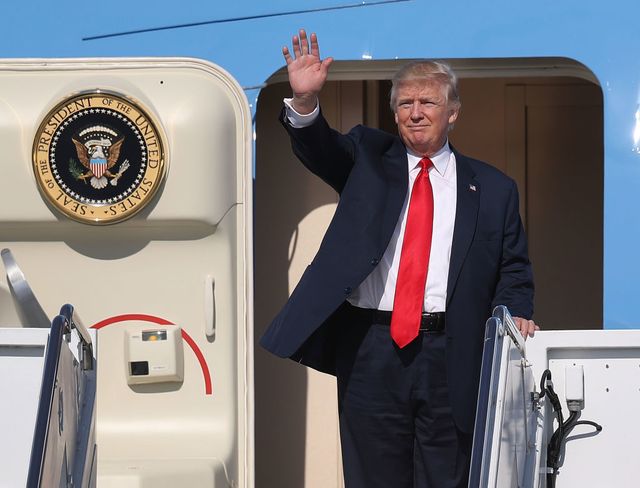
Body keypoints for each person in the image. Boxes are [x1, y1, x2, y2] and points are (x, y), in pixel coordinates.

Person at [261, 29, 538, 488]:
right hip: (372, 347)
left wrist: (517, 313)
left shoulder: (494, 189)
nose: (415, 113)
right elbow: (321, 148)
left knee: (448, 475)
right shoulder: (369, 158)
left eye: (427, 102)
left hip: (454, 349)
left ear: (453, 113)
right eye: (405, 103)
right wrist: (305, 103)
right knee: (373, 474)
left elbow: (513, 268)